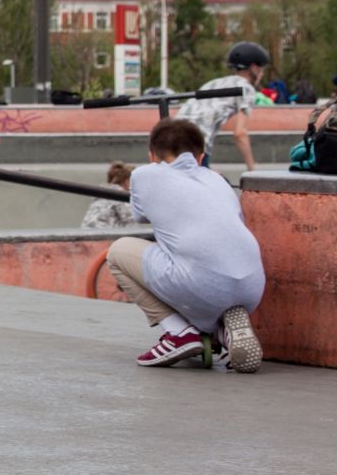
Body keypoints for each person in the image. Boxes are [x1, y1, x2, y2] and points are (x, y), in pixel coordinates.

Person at [105, 117, 264, 372]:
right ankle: (222, 333)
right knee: (191, 259)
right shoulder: (217, 179)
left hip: (203, 284)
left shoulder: (144, 175)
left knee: (117, 253)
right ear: (201, 156)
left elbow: (140, 215)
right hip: (251, 288)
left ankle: (180, 334)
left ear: (151, 156)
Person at [177, 41, 268, 169]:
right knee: (204, 186)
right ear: (254, 68)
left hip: (171, 135)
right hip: (195, 143)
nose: (262, 75)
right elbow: (239, 133)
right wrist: (251, 169)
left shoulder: (215, 82)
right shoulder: (246, 89)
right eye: (262, 70)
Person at [79, 162, 137, 229]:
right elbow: (131, 220)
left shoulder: (101, 194)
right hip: (103, 235)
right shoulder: (120, 194)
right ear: (126, 181)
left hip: (85, 233)